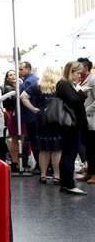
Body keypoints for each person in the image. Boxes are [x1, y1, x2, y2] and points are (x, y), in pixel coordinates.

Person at [20, 66, 63, 184]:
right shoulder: (60, 84)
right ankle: (56, 175)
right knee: (56, 149)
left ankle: (43, 175)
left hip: (41, 117)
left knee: (43, 149)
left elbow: (23, 96)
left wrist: (33, 108)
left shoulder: (38, 84)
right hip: (57, 118)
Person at [56, 61, 91, 195]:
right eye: (77, 73)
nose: (79, 75)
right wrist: (82, 93)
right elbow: (73, 100)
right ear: (71, 72)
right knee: (70, 155)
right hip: (71, 125)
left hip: (70, 124)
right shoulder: (64, 84)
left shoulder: (65, 84)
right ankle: (69, 184)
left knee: (67, 155)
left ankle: (66, 183)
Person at [19, 61, 40, 173]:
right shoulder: (35, 79)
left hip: (30, 114)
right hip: (34, 114)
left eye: (21, 69)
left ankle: (39, 165)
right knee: (35, 140)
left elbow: (21, 96)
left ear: (28, 69)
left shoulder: (28, 81)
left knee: (34, 140)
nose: (19, 71)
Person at [76, 57, 95, 183]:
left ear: (86, 68)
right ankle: (90, 172)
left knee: (93, 147)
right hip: (85, 121)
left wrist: (85, 111)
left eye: (79, 67)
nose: (76, 70)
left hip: (92, 119)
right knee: (88, 147)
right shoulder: (83, 80)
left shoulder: (93, 79)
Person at [3, 70, 25, 172]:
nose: (13, 76)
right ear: (7, 78)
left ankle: (16, 162)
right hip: (13, 114)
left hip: (17, 113)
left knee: (19, 138)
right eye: (10, 75)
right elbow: (14, 100)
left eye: (14, 74)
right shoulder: (8, 88)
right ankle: (15, 162)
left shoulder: (18, 85)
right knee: (16, 138)